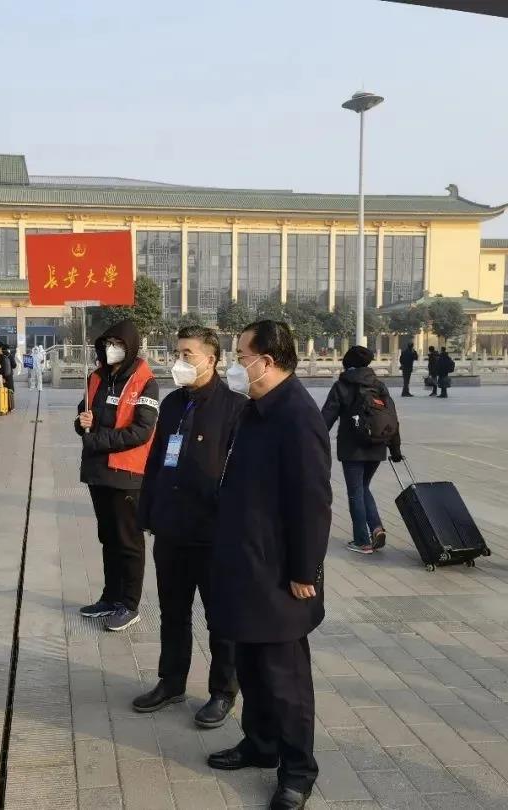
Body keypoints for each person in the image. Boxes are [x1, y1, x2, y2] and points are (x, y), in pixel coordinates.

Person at [207, 320, 332, 810]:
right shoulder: (254, 410)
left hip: (281, 575)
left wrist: (304, 570)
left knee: (286, 680)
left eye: (242, 356)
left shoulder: (297, 415)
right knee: (252, 666)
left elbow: (312, 502)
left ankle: (297, 771)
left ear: (268, 360)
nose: (237, 364)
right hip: (245, 564)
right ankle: (259, 744)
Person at [135, 327, 242, 728]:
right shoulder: (173, 404)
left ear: (211, 360)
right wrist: (148, 513)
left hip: (214, 534)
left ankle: (223, 691)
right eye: (177, 352)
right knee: (173, 612)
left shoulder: (236, 408)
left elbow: (242, 476)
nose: (178, 360)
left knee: (221, 617)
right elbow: (156, 460)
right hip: (172, 529)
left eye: (187, 354)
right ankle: (171, 681)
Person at [75, 320, 160, 632]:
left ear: (130, 346)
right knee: (108, 537)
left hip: (126, 472)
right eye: (108, 343)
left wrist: (98, 440)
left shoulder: (145, 381)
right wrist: (82, 422)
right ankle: (110, 597)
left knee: (128, 541)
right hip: (98, 472)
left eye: (118, 344)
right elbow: (82, 417)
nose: (112, 349)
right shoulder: (96, 376)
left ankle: (129, 603)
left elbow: (142, 430)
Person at [321, 345, 403, 555]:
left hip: (353, 449)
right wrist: (395, 450)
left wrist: (314, 444)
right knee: (363, 487)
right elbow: (392, 418)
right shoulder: (379, 385)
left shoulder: (342, 386)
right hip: (377, 445)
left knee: (356, 492)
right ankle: (376, 527)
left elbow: (325, 419)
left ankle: (362, 541)